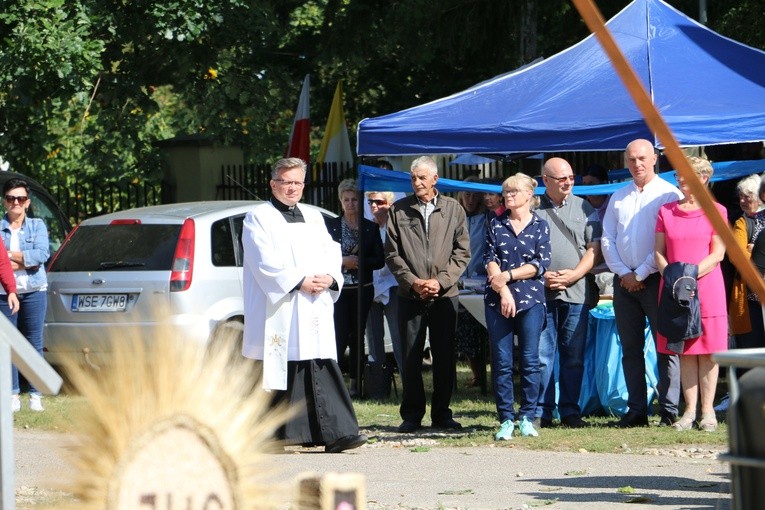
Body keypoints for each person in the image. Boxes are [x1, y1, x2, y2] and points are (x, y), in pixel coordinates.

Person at [241, 157, 366, 453]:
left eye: (298, 182)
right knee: (277, 364)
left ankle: (338, 433)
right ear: (274, 184)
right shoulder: (258, 217)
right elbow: (262, 259)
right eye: (286, 182)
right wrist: (299, 281)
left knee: (319, 362)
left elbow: (330, 251)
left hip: (312, 304)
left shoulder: (312, 216)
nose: (292, 188)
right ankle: (271, 435)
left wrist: (330, 278)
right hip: (281, 305)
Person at [601, 139, 683, 427]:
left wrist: (640, 273)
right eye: (632, 159)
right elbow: (607, 239)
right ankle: (636, 410)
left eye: (642, 158)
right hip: (624, 283)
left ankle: (669, 409)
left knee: (665, 347)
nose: (637, 164)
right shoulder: (618, 196)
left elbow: (667, 242)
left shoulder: (669, 194)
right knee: (630, 348)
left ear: (654, 159)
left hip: (656, 278)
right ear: (626, 162)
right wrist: (624, 273)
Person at [385, 156, 470, 433]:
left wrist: (440, 282)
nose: (417, 182)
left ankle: (442, 413)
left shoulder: (453, 209)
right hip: (410, 295)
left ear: (435, 179)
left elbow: (462, 252)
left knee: (444, 356)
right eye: (413, 178)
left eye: (422, 177)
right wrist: (413, 282)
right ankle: (411, 415)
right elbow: (392, 254)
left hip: (444, 295)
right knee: (410, 357)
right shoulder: (399, 210)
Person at [655, 157, 727, 432]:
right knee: (684, 350)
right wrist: (674, 279)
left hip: (707, 287)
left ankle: (708, 412)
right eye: (678, 175)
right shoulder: (666, 211)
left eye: (686, 175)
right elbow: (659, 252)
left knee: (708, 352)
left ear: (703, 178)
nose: (680, 180)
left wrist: (689, 276)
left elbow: (718, 253)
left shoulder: (717, 211)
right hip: (674, 289)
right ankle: (689, 411)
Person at [534, 158, 601, 429]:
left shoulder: (585, 207)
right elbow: (523, 249)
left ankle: (571, 412)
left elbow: (594, 248)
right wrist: (541, 276)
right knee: (541, 355)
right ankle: (541, 411)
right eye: (562, 179)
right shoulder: (533, 208)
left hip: (576, 293)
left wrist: (575, 275)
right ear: (545, 180)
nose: (568, 182)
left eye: (571, 177)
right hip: (542, 293)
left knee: (573, 356)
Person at [484, 173, 551, 440]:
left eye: (514, 191)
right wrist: (503, 291)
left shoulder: (540, 226)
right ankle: (505, 419)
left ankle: (527, 416)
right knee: (501, 361)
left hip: (531, 298)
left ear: (528, 195)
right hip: (498, 298)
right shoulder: (495, 224)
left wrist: (508, 277)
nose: (508, 195)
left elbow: (540, 264)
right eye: (506, 191)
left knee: (530, 360)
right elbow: (489, 259)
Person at [325, 179, 384, 396]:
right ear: (340, 202)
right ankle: (335, 382)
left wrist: (358, 262)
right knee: (339, 333)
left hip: (362, 289)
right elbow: (322, 256)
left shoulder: (370, 228)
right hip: (339, 290)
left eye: (354, 200)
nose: (350, 204)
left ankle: (356, 383)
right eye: (346, 200)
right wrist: (342, 261)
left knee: (357, 336)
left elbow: (379, 259)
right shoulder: (330, 227)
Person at [0, 178, 47, 412]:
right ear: (4, 202)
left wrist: (9, 256)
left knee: (34, 343)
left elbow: (41, 254)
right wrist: (24, 260)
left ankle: (35, 395)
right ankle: (12, 394)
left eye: (20, 198)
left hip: (34, 291)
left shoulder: (37, 225)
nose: (15, 202)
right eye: (11, 198)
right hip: (4, 293)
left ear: (27, 202)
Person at [364, 190, 404, 377]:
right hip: (371, 286)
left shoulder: (397, 228)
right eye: (371, 201)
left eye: (378, 202)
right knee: (373, 338)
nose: (373, 206)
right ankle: (378, 384)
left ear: (389, 203)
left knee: (398, 336)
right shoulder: (369, 228)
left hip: (393, 285)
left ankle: (408, 382)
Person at [456, 179, 489, 388]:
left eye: (475, 194)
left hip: (482, 281)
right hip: (461, 283)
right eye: (466, 194)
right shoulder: (456, 219)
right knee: (467, 332)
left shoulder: (487, 219)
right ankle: (477, 374)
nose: (470, 199)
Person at [728, 174, 765, 346]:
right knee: (753, 347)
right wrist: (757, 251)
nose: (742, 200)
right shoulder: (743, 222)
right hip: (751, 298)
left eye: (747, 196)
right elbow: (737, 256)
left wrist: (754, 248)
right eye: (740, 196)